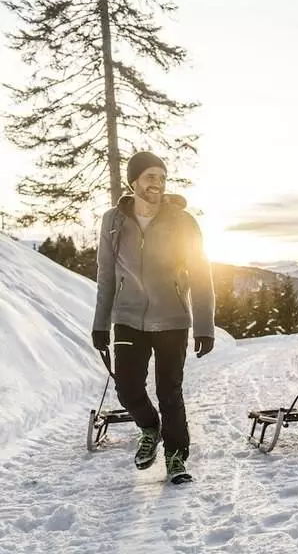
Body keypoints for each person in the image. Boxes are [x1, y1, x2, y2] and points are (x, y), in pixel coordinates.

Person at [91, 151, 215, 485]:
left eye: (161, 177)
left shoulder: (182, 221)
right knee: (127, 387)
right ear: (133, 182)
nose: (157, 184)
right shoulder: (113, 222)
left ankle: (176, 456)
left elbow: (201, 273)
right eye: (150, 177)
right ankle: (150, 427)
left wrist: (204, 325)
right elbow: (105, 275)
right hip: (128, 316)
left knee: (169, 391)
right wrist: (100, 323)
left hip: (173, 318)